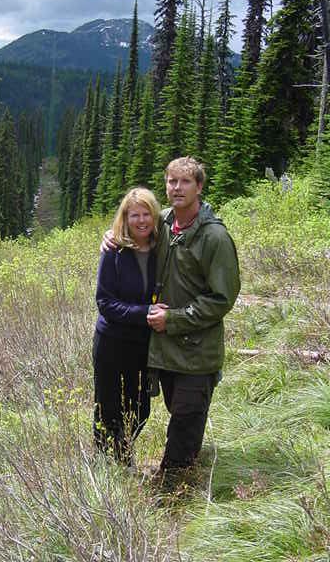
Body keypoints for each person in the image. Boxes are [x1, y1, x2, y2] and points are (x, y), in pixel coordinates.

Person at [102, 157, 240, 485]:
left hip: (196, 354)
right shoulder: (162, 224)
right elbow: (131, 229)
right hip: (165, 352)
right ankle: (173, 480)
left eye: (185, 182)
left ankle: (172, 493)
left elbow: (222, 299)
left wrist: (174, 319)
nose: (177, 188)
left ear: (199, 187)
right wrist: (109, 236)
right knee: (178, 414)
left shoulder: (214, 237)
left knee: (185, 424)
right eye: (171, 181)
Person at [93, 187, 160, 464]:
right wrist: (144, 313)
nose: (141, 221)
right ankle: (108, 464)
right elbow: (105, 302)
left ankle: (122, 452)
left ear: (154, 216)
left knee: (140, 407)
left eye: (146, 214)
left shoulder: (162, 248)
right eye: (135, 215)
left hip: (143, 344)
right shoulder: (114, 250)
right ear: (125, 217)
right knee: (107, 407)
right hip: (111, 342)